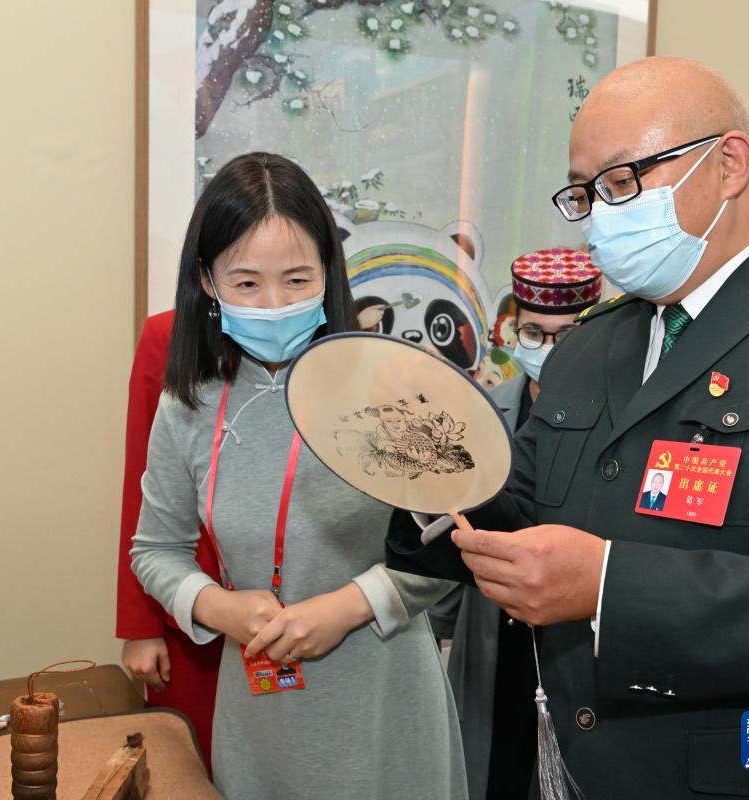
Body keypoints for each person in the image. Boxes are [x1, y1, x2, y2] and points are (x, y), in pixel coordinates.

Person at [387, 56, 749, 797]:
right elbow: (522, 512)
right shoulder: (592, 343)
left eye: (622, 183)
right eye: (584, 193)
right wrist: (424, 472)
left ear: (729, 165)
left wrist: (607, 588)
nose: (601, 214)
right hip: (570, 766)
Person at [130, 152, 465, 800]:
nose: (274, 303)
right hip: (260, 715)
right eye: (246, 283)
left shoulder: (390, 386)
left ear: (328, 274)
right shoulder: (189, 404)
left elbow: (452, 541)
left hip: (383, 703)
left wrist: (348, 607)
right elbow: (156, 549)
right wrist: (218, 607)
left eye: (296, 280)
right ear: (207, 281)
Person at [428, 248, 601, 800]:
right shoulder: (479, 416)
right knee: (492, 770)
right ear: (512, 330)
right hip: (495, 639)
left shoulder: (616, 420)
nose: (549, 349)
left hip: (576, 637)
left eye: (567, 335)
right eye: (534, 333)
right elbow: (449, 536)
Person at [115, 309, 223, 770]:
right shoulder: (170, 333)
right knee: (192, 770)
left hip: (312, 612)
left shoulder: (333, 336)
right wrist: (140, 626)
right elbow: (141, 483)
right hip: (193, 613)